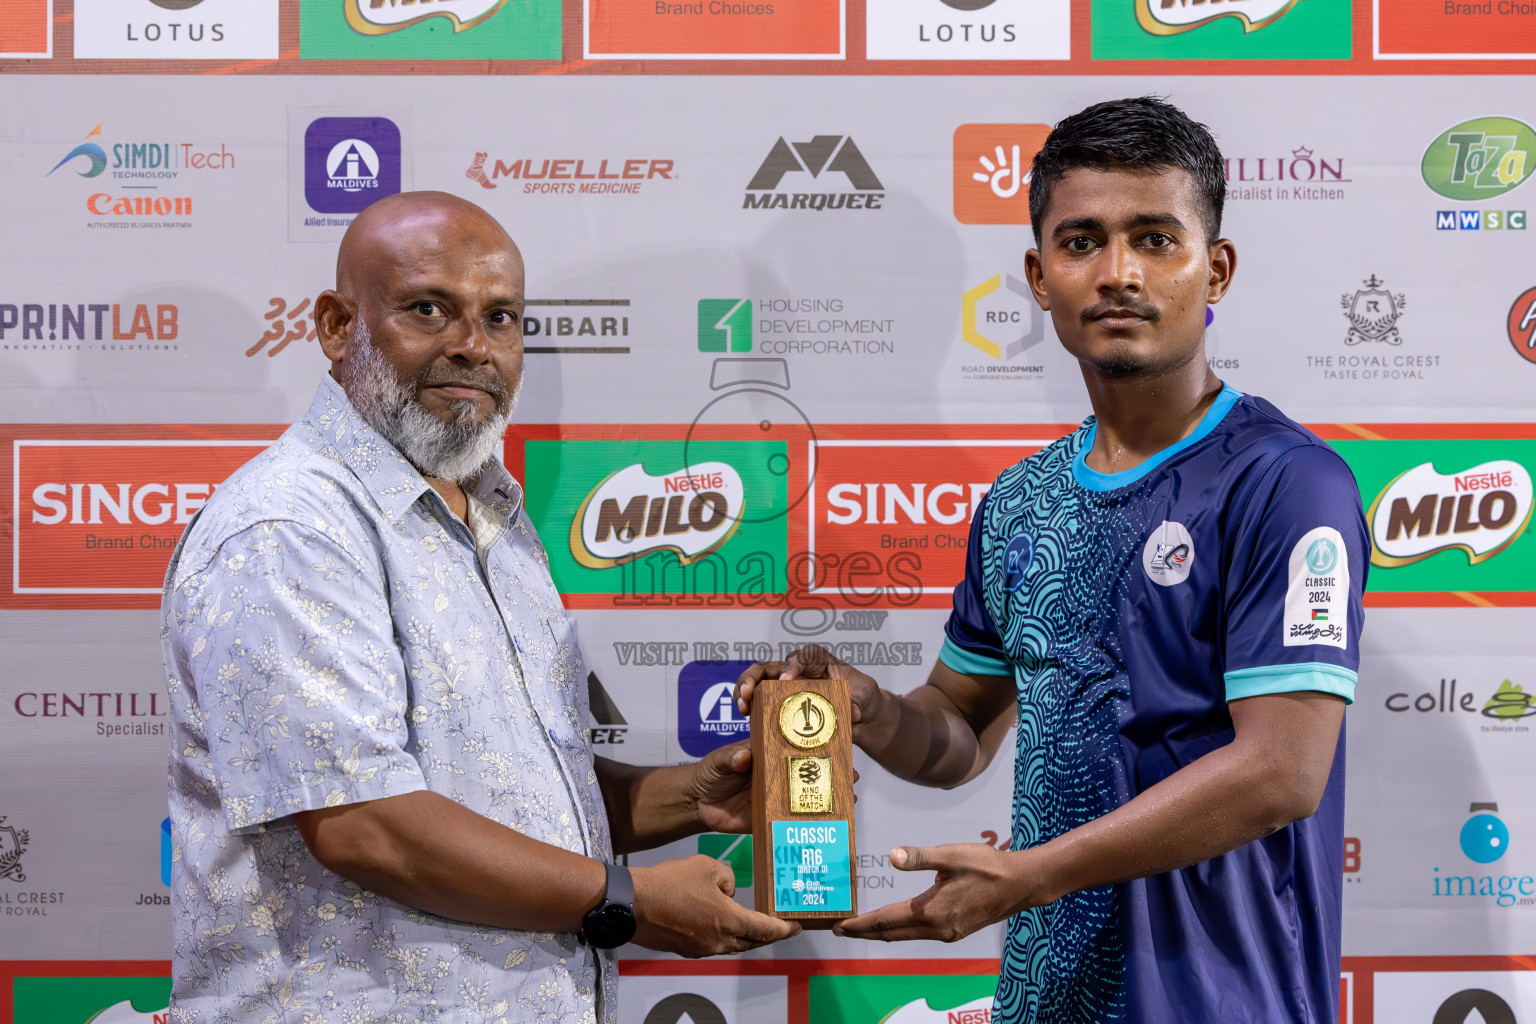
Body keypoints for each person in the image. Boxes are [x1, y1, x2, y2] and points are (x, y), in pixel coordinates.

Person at [736, 97, 1365, 1024]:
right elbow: (957, 733)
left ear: (1216, 269)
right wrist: (867, 710)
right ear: (1038, 275)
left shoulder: (1287, 481)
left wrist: (1025, 877)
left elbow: (1280, 773)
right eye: (1082, 242)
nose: (1117, 274)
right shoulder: (1020, 502)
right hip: (1048, 996)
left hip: (1227, 998)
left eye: (1155, 239)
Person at [161, 191, 797, 1024]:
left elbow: (507, 794)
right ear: (335, 325)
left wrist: (691, 797)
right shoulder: (289, 525)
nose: (473, 347)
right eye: (430, 309)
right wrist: (629, 899)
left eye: (501, 319)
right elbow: (364, 825)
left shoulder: (493, 514)